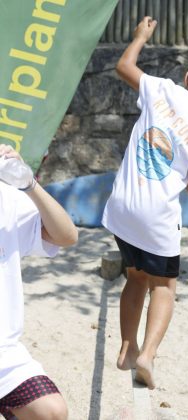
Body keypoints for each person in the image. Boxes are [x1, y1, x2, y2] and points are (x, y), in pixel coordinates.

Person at [102, 16, 188, 389]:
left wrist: (140, 37)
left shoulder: (161, 89)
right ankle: (146, 355)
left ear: (187, 78)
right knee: (163, 285)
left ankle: (126, 349)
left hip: (121, 207)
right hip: (156, 217)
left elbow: (123, 67)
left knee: (134, 277)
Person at [0, 144, 78, 419]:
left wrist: (28, 184)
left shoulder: (5, 197)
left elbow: (66, 236)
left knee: (52, 411)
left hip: (3, 354)